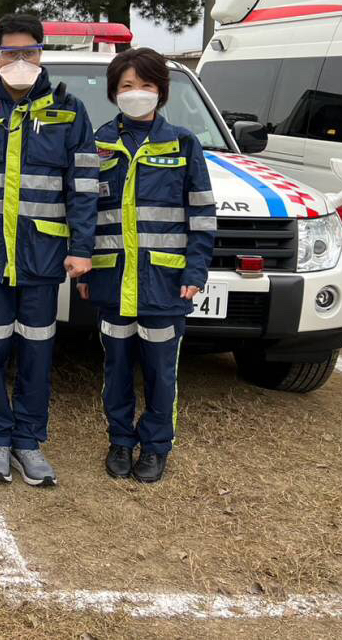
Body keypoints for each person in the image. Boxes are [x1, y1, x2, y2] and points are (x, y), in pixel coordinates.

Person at [0, 13, 98, 487]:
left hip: (42, 257)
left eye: (29, 52)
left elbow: (83, 187)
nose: (21, 61)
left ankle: (29, 440)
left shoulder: (70, 113)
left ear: (41, 55)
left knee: (36, 350)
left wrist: (81, 248)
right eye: (11, 53)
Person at [77, 47, 215, 483]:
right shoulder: (97, 144)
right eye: (127, 87)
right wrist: (87, 270)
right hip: (113, 281)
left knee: (160, 372)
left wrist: (195, 272)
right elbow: (86, 216)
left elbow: (203, 215)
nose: (137, 94)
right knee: (115, 368)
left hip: (165, 281)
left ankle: (155, 447)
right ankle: (120, 441)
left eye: (146, 86)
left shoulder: (184, 144)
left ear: (162, 92)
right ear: (115, 93)